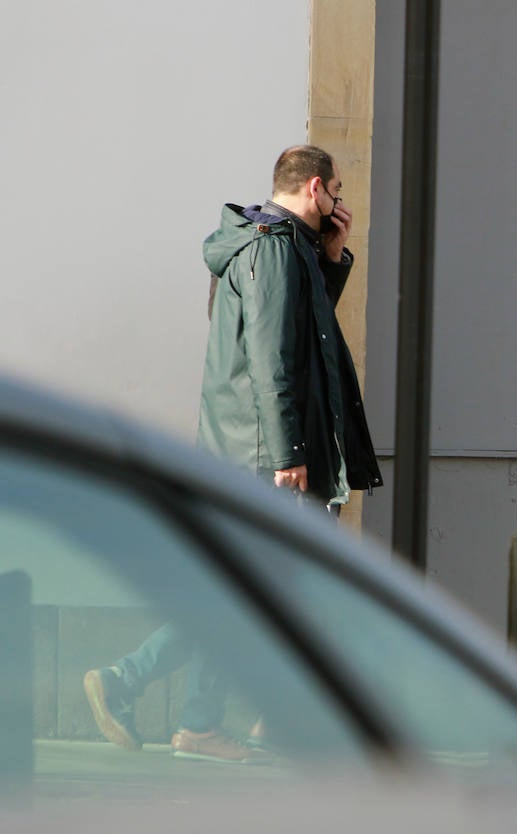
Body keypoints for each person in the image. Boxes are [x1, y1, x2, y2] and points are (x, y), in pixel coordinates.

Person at [83, 144, 382, 763]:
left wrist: (332, 258)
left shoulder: (280, 245)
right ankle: (138, 686)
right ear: (316, 188)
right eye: (337, 193)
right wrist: (288, 452)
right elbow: (271, 356)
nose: (339, 204)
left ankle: (220, 719)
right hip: (264, 454)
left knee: (266, 591)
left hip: (253, 447)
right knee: (251, 592)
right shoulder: (271, 248)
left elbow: (304, 327)